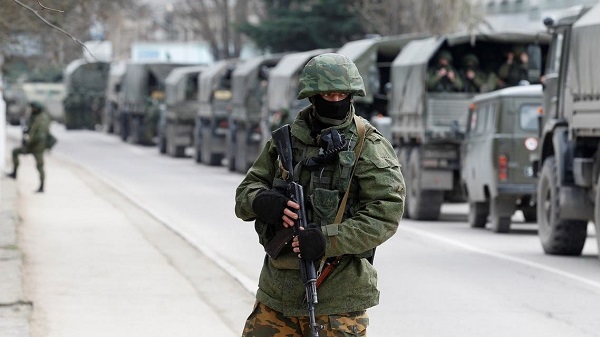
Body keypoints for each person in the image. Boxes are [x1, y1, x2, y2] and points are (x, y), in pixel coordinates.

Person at [234, 53, 405, 336]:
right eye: (328, 94)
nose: (335, 101)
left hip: (337, 296)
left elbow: (385, 215)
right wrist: (264, 202)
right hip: (277, 295)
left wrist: (327, 240)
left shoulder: (368, 146)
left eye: (342, 94)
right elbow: (244, 195)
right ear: (312, 96)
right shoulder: (286, 141)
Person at [7, 101, 52, 192]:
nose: (31, 110)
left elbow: (40, 134)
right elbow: (31, 128)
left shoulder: (42, 118)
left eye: (33, 108)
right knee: (15, 152)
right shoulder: (34, 116)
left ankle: (42, 185)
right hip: (30, 145)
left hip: (38, 146)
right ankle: (15, 172)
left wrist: (29, 139)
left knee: (40, 165)